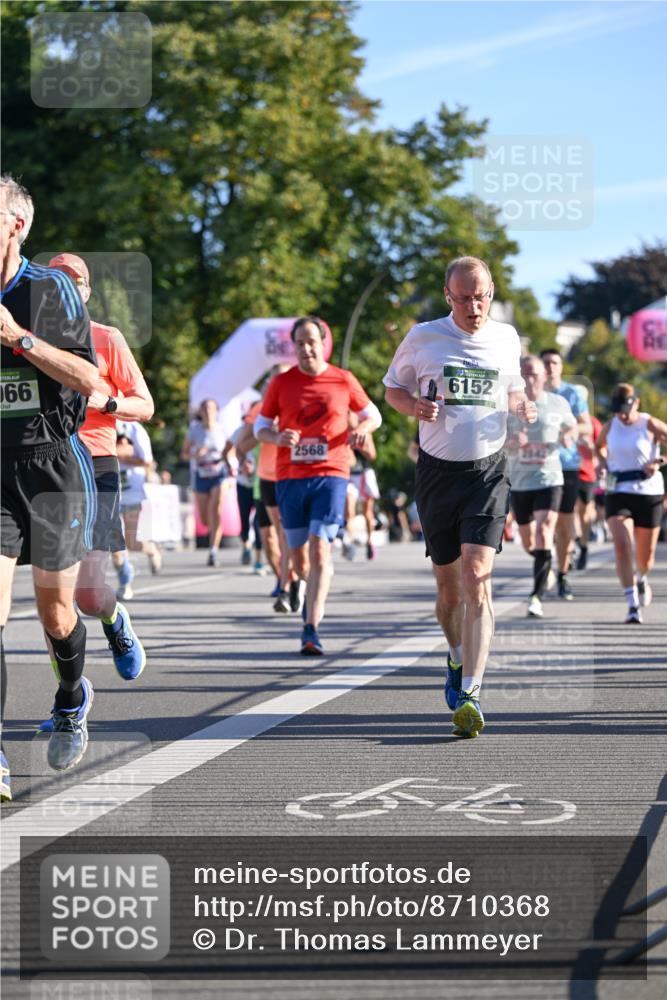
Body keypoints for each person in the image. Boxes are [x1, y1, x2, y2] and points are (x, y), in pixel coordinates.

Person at [384, 256, 536, 739]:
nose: (475, 306)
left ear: (491, 292)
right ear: (448, 297)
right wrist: (414, 405)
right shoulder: (423, 337)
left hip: (488, 472)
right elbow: (392, 388)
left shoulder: (507, 338)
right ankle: (454, 656)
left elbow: (513, 390)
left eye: (482, 296)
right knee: (449, 589)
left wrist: (523, 404)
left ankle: (471, 690)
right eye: (465, 297)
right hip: (436, 475)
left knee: (477, 576)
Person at [1, 175, 99, 795]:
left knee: (56, 614)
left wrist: (18, 338)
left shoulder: (50, 288)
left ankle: (70, 695)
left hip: (50, 467)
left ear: (15, 226)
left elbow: (88, 377)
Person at [48, 253, 153, 681]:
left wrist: (107, 402)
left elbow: (144, 405)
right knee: (52, 597)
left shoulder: (107, 339)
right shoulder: (26, 341)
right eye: (58, 282)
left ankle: (115, 621)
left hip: (97, 465)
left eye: (78, 282)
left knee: (88, 595)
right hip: (48, 466)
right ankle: (68, 696)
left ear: (88, 292)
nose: (69, 289)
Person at [255, 316, 381, 655]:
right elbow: (260, 429)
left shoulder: (343, 379)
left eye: (312, 342)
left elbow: (374, 414)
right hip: (290, 478)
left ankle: (311, 627)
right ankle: (298, 584)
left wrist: (363, 429)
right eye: (300, 343)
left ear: (323, 343)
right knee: (297, 557)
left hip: (332, 472)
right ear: (293, 347)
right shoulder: (281, 383)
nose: (306, 348)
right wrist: (278, 436)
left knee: (321, 548)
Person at [506, 356, 577, 618]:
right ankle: (544, 565)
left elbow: (573, 427)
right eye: (523, 374)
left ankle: (535, 597)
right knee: (528, 541)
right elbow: (493, 442)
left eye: (534, 373)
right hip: (521, 481)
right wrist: (510, 442)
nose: (529, 378)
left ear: (544, 376)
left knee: (545, 531)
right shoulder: (509, 406)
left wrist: (569, 435)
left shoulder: (557, 403)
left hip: (549, 478)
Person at [595, 383, 666, 624]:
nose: (621, 415)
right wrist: (603, 463)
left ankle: (642, 576)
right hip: (618, 491)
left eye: (625, 409)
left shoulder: (649, 423)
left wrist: (659, 460)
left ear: (636, 403)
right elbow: (599, 447)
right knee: (622, 545)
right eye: (617, 410)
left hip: (649, 492)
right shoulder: (611, 425)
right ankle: (632, 604)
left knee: (645, 557)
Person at [540, 348, 592, 600]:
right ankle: (544, 558)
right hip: (534, 467)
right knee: (535, 526)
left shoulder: (571, 393)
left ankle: (561, 575)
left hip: (566, 466)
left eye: (554, 362)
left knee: (563, 524)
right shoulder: (529, 393)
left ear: (561, 366)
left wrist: (571, 430)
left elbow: (587, 425)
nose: (550, 366)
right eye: (546, 362)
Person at [180, 399, 229, 567]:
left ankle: (213, 551)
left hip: (220, 474)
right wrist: (195, 453)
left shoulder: (222, 429)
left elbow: (232, 448)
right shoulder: (194, 429)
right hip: (201, 474)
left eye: (211, 408)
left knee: (216, 510)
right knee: (205, 518)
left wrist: (231, 461)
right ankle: (212, 533)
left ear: (216, 410)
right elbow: (184, 454)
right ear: (200, 412)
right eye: (205, 408)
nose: (208, 411)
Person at [115, 419, 162, 588]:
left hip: (132, 492)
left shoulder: (135, 428)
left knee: (133, 543)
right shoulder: (98, 421)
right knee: (113, 543)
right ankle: (124, 582)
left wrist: (121, 455)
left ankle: (151, 549)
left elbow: (147, 461)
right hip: (108, 490)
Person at [574, 410, 603, 569]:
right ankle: (574, 542)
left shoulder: (593, 423)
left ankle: (583, 545)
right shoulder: (564, 418)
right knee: (567, 511)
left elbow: (602, 447)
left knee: (584, 512)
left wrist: (590, 445)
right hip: (566, 472)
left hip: (587, 473)